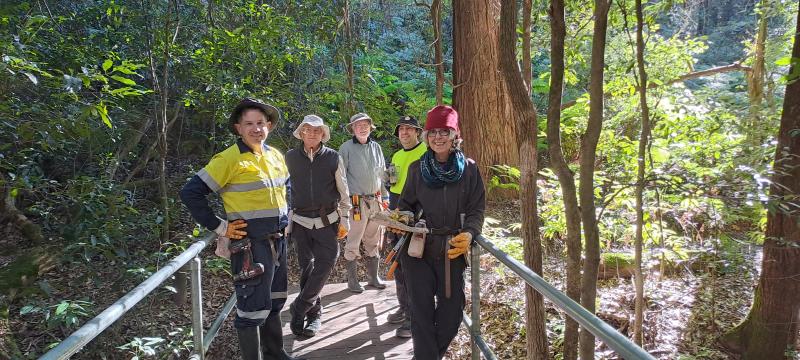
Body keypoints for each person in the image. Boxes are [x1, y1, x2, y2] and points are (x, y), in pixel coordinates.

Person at [179, 98, 301, 360]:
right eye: (249, 124)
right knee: (251, 310)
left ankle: (275, 353)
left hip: (278, 241)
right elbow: (191, 193)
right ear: (238, 128)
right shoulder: (228, 159)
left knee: (276, 300)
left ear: (268, 126)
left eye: (260, 123)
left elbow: (287, 186)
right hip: (251, 245)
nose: (256, 129)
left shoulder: (275, 155)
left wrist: (287, 216)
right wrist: (220, 227)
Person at [395, 105, 485, 360]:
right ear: (426, 136)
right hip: (419, 249)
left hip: (452, 248)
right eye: (433, 132)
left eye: (444, 131)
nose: (438, 137)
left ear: (454, 134)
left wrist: (470, 233)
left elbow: (477, 208)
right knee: (420, 312)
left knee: (452, 313)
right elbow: (406, 206)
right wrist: (402, 217)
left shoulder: (468, 169)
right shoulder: (416, 169)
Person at [285, 115, 351, 338]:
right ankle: (314, 315)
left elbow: (343, 188)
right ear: (301, 132)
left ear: (323, 134)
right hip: (301, 221)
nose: (312, 134)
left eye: (317, 130)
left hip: (328, 219)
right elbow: (283, 189)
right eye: (308, 130)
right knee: (307, 267)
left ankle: (300, 306)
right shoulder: (290, 157)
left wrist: (346, 218)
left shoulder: (333, 157)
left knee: (328, 260)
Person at [338, 112, 389, 293]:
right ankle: (352, 280)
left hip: (375, 201)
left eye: (365, 124)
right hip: (356, 203)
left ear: (370, 126)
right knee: (353, 240)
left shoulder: (376, 147)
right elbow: (341, 177)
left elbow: (382, 174)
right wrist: (344, 203)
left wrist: (385, 197)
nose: (362, 127)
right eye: (358, 125)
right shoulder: (345, 148)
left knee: (373, 239)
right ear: (352, 128)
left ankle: (373, 277)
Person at [386, 115, 426, 339]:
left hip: (416, 215)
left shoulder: (425, 154)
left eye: (409, 129)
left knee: (414, 267)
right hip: (396, 212)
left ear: (418, 132)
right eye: (401, 129)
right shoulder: (397, 155)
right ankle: (404, 307)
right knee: (399, 264)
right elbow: (394, 185)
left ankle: (414, 317)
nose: (405, 133)